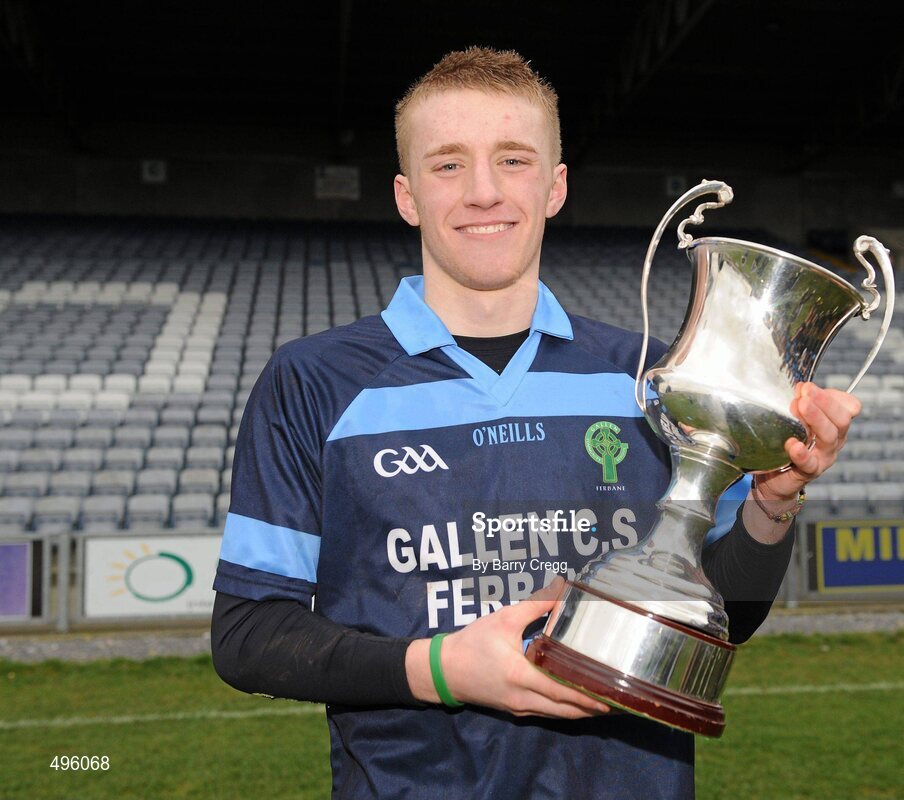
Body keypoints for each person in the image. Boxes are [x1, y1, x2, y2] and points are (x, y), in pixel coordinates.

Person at [211, 46, 861, 799]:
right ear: (406, 195)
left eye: (513, 160)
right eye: (448, 165)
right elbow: (248, 636)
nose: (483, 191)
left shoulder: (648, 378)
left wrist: (772, 503)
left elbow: (723, 618)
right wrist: (442, 670)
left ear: (555, 186)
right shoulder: (313, 381)